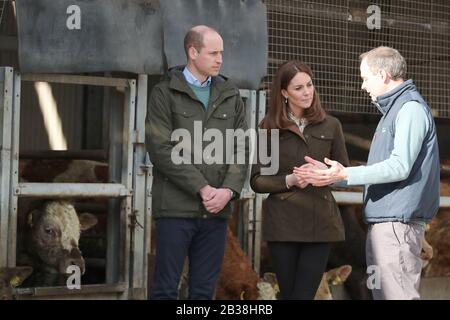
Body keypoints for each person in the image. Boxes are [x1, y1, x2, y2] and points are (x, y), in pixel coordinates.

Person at [296, 46, 440, 300]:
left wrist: (345, 175)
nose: (363, 86)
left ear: (383, 75)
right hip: (389, 223)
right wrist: (335, 175)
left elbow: (399, 167)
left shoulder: (409, 109)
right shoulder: (395, 112)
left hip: (395, 224)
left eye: (365, 78)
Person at [146, 25, 248, 300]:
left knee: (204, 292)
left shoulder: (230, 94)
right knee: (166, 289)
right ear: (192, 52)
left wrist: (228, 191)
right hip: (175, 211)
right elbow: (160, 148)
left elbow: (241, 148)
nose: (220, 59)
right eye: (213, 53)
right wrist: (203, 188)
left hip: (216, 212)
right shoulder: (164, 93)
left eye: (222, 53)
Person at [250, 61, 349, 300]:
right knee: (289, 295)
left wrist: (325, 175)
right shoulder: (269, 127)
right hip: (283, 224)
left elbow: (345, 175)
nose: (307, 92)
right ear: (284, 93)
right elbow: (257, 180)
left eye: (309, 85)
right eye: (298, 88)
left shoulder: (331, 125)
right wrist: (291, 180)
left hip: (320, 224)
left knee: (302, 296)